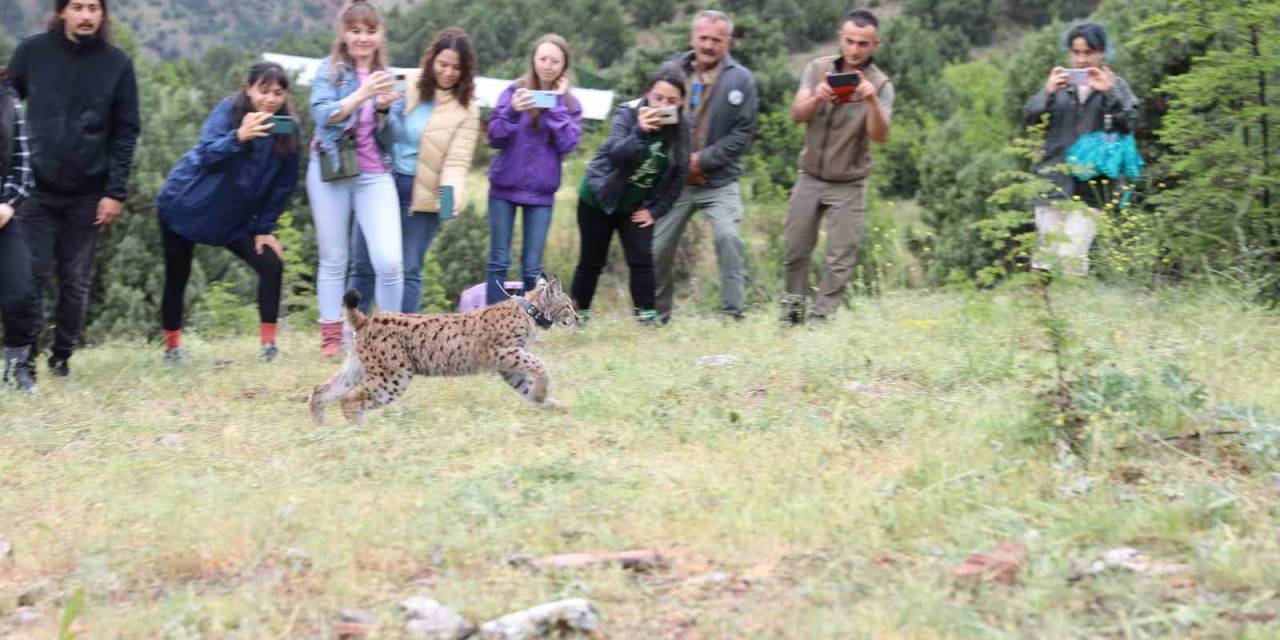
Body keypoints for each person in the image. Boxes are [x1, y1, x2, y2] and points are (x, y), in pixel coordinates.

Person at [1, 0, 140, 391]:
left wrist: (115, 191)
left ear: (102, 14)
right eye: (77, 6)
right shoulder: (32, 51)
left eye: (93, 7)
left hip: (89, 192)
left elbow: (126, 131)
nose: (86, 16)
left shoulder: (118, 64)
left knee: (75, 282)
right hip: (34, 190)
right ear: (62, 11)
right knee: (29, 278)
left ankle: (61, 357)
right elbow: (6, 108)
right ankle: (22, 363)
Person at [154, 62, 301, 363]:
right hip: (186, 204)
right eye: (263, 91)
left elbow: (284, 184)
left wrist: (265, 227)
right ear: (248, 88)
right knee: (177, 276)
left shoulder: (287, 129)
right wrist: (239, 137)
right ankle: (171, 349)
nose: (271, 99)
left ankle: (268, 348)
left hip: (235, 219)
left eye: (278, 92)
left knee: (271, 265)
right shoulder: (228, 112)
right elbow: (207, 154)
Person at [349, 26, 480, 314]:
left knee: (409, 267)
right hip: (380, 181)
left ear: (466, 70)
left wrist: (449, 201)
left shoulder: (467, 108)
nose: (448, 72)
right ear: (431, 60)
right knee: (363, 262)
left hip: (422, 195)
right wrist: (382, 111)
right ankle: (353, 332)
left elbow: (456, 164)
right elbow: (384, 135)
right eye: (443, 64)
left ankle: (403, 339)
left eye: (456, 67)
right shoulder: (405, 82)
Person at [780, 9, 894, 325]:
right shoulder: (816, 69)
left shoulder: (881, 85)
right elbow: (796, 114)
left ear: (875, 45)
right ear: (840, 38)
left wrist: (870, 101)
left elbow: (880, 136)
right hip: (811, 175)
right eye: (850, 41)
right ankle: (791, 314)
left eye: (863, 43)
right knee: (795, 249)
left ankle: (821, 319)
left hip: (849, 181)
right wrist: (817, 97)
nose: (855, 50)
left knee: (840, 257)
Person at [306, 0, 403, 357]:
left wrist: (383, 110)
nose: (363, 38)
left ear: (380, 35)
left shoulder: (386, 76)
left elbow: (394, 137)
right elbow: (322, 115)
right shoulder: (328, 72)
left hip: (374, 173)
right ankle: (334, 338)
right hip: (330, 169)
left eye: (370, 31)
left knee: (390, 261)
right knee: (334, 257)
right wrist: (362, 95)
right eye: (356, 30)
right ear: (344, 35)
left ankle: (391, 335)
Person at [652, 9, 758, 323]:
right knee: (656, 247)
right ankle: (655, 316)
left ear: (729, 42)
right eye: (703, 38)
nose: (709, 45)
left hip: (719, 180)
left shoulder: (742, 79)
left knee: (728, 238)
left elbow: (743, 133)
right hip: (675, 182)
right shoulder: (671, 70)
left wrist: (702, 160)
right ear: (692, 38)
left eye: (716, 39)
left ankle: (732, 313)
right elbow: (651, 114)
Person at [570, 67, 691, 324]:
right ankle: (576, 317)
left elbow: (680, 173)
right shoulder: (627, 113)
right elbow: (615, 154)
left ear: (681, 102)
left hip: (636, 205)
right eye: (658, 98)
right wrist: (639, 131)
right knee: (592, 262)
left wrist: (656, 211)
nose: (663, 105)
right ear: (648, 94)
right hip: (598, 198)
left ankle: (646, 319)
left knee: (641, 260)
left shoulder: (681, 128)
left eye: (671, 101)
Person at [1024, 21, 1138, 276]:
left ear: (1102, 53)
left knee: (1072, 253)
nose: (1082, 59)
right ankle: (1043, 308)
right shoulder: (1060, 86)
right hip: (1053, 178)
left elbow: (1130, 122)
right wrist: (1047, 93)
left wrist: (1109, 94)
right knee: (1047, 253)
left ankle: (1071, 308)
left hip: (1095, 183)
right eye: (1076, 53)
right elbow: (1029, 119)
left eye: (1089, 52)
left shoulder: (1116, 85)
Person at [484, 34, 583, 306]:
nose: (547, 66)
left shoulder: (571, 104)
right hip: (503, 188)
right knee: (498, 259)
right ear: (533, 60)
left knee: (531, 266)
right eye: (542, 59)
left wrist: (556, 105)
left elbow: (568, 144)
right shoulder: (513, 91)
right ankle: (491, 322)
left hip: (541, 193)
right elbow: (494, 137)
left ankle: (530, 322)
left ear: (564, 66)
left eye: (555, 61)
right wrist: (513, 111)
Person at [0, 66, 35, 389]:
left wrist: (8, 205)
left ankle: (15, 371)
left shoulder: (10, 102)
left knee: (20, 292)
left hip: (3, 214)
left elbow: (23, 167)